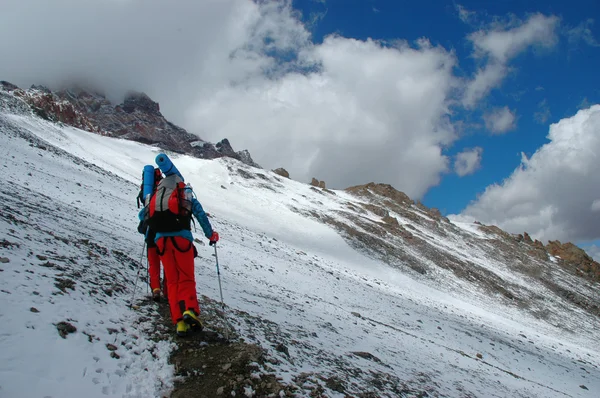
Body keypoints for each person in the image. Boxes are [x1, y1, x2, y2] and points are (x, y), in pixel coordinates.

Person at [142, 171, 219, 337]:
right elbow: (199, 214)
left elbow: (144, 215)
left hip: (161, 241)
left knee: (172, 281)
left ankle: (180, 323)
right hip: (181, 239)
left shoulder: (156, 196)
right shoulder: (184, 193)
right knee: (186, 277)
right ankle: (189, 310)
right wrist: (211, 235)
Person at [137, 168, 167, 302]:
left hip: (150, 234)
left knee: (153, 264)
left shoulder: (147, 194)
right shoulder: (165, 193)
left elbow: (141, 214)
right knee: (167, 264)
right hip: (164, 235)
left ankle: (155, 289)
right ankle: (167, 291)